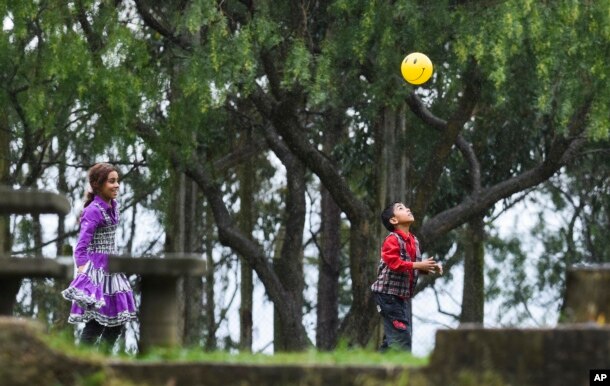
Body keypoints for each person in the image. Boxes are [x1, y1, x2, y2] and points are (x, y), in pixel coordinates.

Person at [62, 162, 137, 347]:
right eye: (112, 181)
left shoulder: (114, 206)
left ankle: (103, 359)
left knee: (117, 322)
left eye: (117, 181)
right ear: (98, 184)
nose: (117, 185)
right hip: (97, 271)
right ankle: (82, 361)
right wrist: (83, 273)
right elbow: (81, 246)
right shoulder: (93, 211)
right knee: (95, 324)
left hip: (113, 269)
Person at [371, 201, 442, 352]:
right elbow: (395, 264)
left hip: (400, 297)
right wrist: (419, 265)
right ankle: (404, 370)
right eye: (401, 208)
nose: (408, 209)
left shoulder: (413, 241)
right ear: (393, 220)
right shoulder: (392, 240)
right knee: (401, 336)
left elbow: (412, 267)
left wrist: (428, 268)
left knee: (393, 339)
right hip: (387, 295)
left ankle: (375, 367)